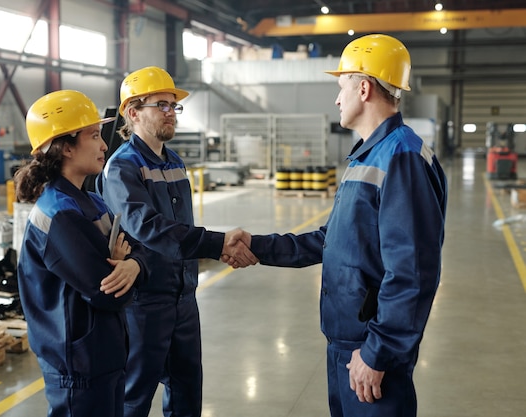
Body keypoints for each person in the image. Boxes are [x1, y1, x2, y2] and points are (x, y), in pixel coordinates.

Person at [228, 34, 448, 417]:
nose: (337, 98)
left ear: (363, 88)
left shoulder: (401, 158)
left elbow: (413, 272)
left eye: (341, 86)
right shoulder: (370, 154)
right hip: (348, 342)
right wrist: (257, 246)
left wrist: (378, 353)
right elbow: (333, 240)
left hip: (371, 349)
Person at [100, 66, 257, 417]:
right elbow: (148, 227)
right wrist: (216, 244)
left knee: (187, 389)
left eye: (174, 106)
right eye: (163, 105)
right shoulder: (122, 168)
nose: (172, 113)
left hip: (184, 297)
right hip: (145, 302)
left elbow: (181, 227)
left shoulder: (175, 163)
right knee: (134, 395)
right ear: (133, 112)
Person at [15, 89, 147, 417]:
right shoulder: (60, 213)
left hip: (103, 357)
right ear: (66, 147)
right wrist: (128, 266)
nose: (104, 145)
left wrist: (131, 265)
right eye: (93, 135)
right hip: (79, 369)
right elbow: (109, 294)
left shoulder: (91, 201)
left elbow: (139, 249)